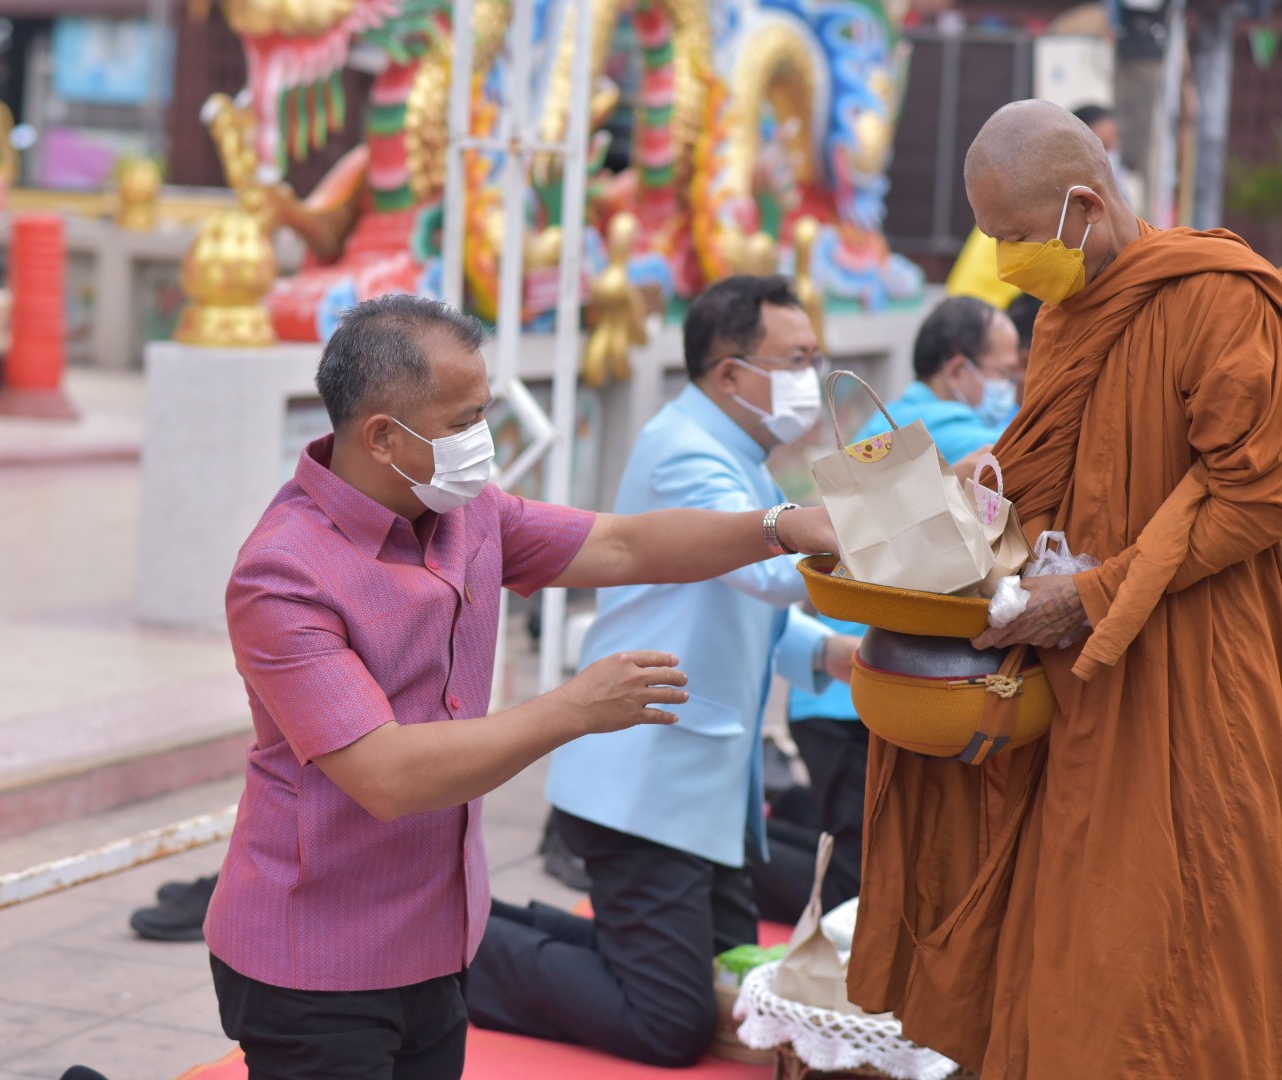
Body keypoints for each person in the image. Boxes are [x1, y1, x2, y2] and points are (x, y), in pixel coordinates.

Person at [202, 293, 839, 1079]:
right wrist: (573, 709)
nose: (484, 443)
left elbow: (623, 542)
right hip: (315, 956)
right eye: (463, 422)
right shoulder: (284, 573)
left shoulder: (468, 512)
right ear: (381, 437)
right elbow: (387, 774)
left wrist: (778, 528)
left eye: (485, 414)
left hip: (437, 937)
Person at [849, 99, 1282, 1080]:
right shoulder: (1066, 311)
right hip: (1074, 685)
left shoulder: (1221, 299)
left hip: (1189, 678)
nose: (1004, 262)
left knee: (1170, 955)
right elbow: (1042, 468)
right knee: (1056, 949)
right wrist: (950, 497)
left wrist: (1090, 596)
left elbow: (1257, 495)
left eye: (1011, 236)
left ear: (1084, 205)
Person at [459, 276, 860, 1068]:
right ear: (730, 373)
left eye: (818, 357)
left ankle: (476, 924)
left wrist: (829, 654)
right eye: (797, 358)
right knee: (669, 1022)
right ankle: (455, 960)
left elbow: (754, 613)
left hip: (701, 790)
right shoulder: (685, 450)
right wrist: (891, 521)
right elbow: (770, 573)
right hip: (643, 786)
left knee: (732, 994)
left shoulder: (742, 456)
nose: (812, 375)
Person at [787, 294, 1022, 910]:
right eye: (1004, 373)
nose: (1011, 386)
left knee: (867, 862)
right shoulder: (955, 431)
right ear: (957, 370)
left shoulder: (897, 423)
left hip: (862, 689)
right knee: (862, 881)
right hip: (868, 695)